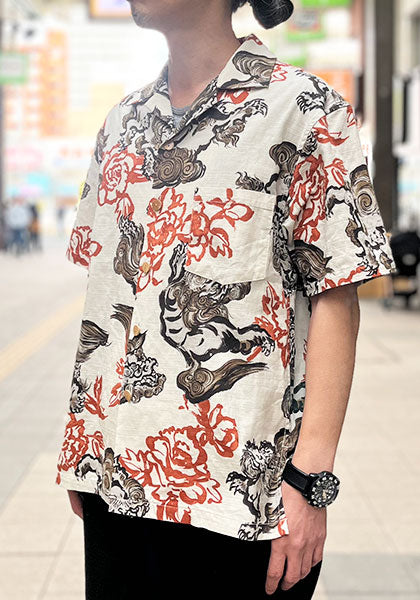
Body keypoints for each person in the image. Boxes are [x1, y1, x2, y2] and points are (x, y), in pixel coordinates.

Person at [55, 1, 397, 598]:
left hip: (242, 499)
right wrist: (84, 448)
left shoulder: (305, 109)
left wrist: (310, 482)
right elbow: (107, 297)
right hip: (115, 483)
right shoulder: (121, 124)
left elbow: (337, 297)